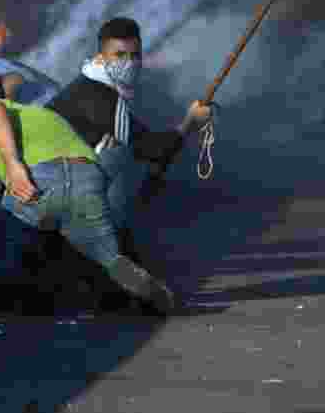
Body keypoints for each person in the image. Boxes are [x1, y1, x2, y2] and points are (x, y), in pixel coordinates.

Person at [0, 69, 179, 315]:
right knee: (108, 258)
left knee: (7, 217)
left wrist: (13, 165)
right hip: (88, 177)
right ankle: (150, 294)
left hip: (43, 180)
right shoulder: (42, 114)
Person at [46, 17, 213, 307]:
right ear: (101, 56)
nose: (129, 63)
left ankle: (117, 289)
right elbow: (151, 149)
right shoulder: (100, 97)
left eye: (134, 55)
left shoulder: (97, 88)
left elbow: (141, 141)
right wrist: (190, 122)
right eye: (119, 55)